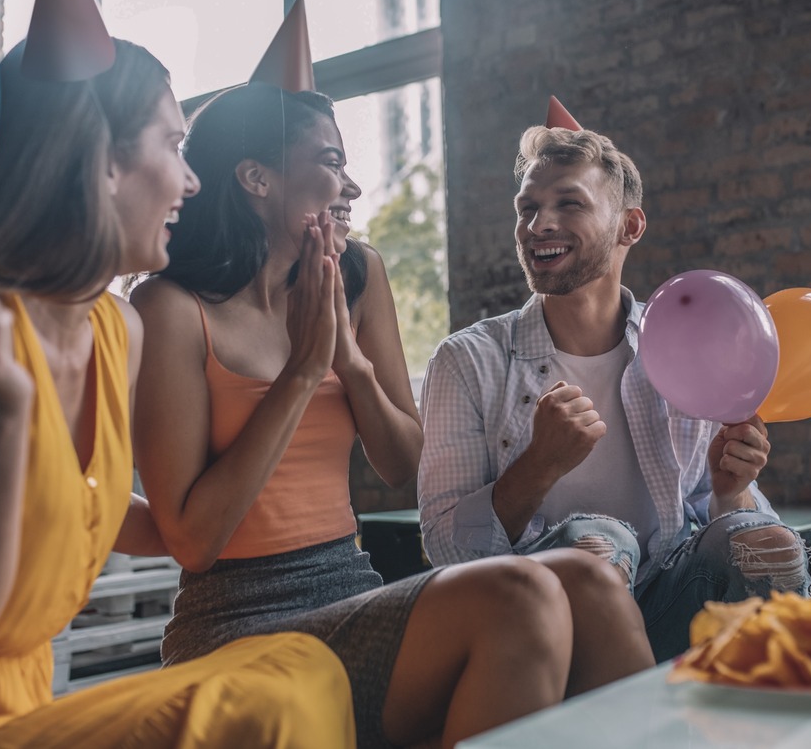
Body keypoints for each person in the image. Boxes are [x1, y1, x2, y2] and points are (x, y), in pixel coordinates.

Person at [0, 40, 355, 748]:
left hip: (23, 716)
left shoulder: (118, 331)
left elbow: (114, 512)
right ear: (101, 161)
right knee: (259, 708)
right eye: (174, 145)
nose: (193, 180)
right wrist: (2, 415)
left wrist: (296, 411)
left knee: (303, 665)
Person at [131, 81, 655, 749]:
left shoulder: (355, 274)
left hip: (351, 588)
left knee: (585, 578)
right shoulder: (170, 310)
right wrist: (300, 374)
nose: (350, 186)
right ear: (256, 178)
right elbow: (194, 540)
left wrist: (349, 366)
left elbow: (403, 461)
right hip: (236, 621)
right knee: (520, 598)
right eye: (328, 163)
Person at [417, 119, 811, 663]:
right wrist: (538, 465)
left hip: (674, 603)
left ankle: (769, 723)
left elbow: (727, 519)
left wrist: (729, 489)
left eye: (569, 204)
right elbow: (444, 548)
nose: (539, 225)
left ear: (629, 226)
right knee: (599, 543)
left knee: (768, 544)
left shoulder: (683, 346)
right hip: (542, 626)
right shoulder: (467, 360)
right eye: (526, 208)